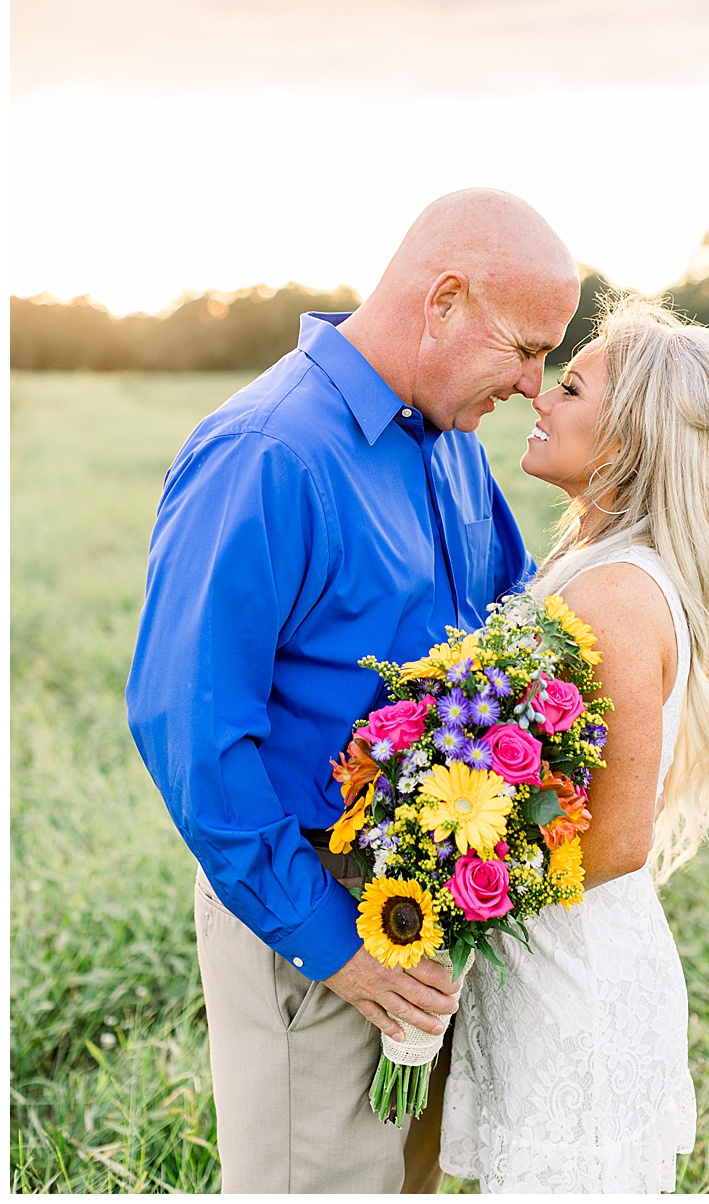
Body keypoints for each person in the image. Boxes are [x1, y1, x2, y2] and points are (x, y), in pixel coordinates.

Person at [126, 188, 581, 1192]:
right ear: (445, 300)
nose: (536, 385)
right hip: (313, 921)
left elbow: (508, 640)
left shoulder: (455, 446)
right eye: (527, 348)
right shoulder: (266, 452)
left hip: (432, 921)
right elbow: (191, 734)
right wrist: (338, 949)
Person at [439, 296, 709, 1192]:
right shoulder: (593, 564)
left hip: (571, 987)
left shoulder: (618, 596)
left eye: (573, 385)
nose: (539, 396)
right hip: (542, 965)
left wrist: (441, 886)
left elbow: (619, 840)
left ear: (629, 439)